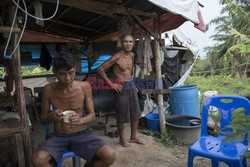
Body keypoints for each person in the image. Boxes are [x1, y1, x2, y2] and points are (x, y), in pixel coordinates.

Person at [32, 52, 116, 167]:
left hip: (82, 134)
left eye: (71, 73)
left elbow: (92, 115)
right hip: (59, 136)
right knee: (37, 159)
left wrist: (80, 120)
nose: (67, 78)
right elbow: (43, 120)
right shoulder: (48, 89)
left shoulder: (85, 86)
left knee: (109, 155)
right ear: (54, 72)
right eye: (62, 74)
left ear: (75, 69)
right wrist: (52, 115)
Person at [97, 34, 144, 147]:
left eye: (130, 42)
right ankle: (122, 139)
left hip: (131, 85)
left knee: (136, 112)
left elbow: (131, 70)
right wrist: (111, 84)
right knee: (122, 114)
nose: (128, 44)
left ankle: (133, 137)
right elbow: (100, 69)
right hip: (121, 87)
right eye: (126, 42)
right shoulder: (117, 56)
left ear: (133, 43)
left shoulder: (132, 55)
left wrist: (132, 81)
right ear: (122, 43)